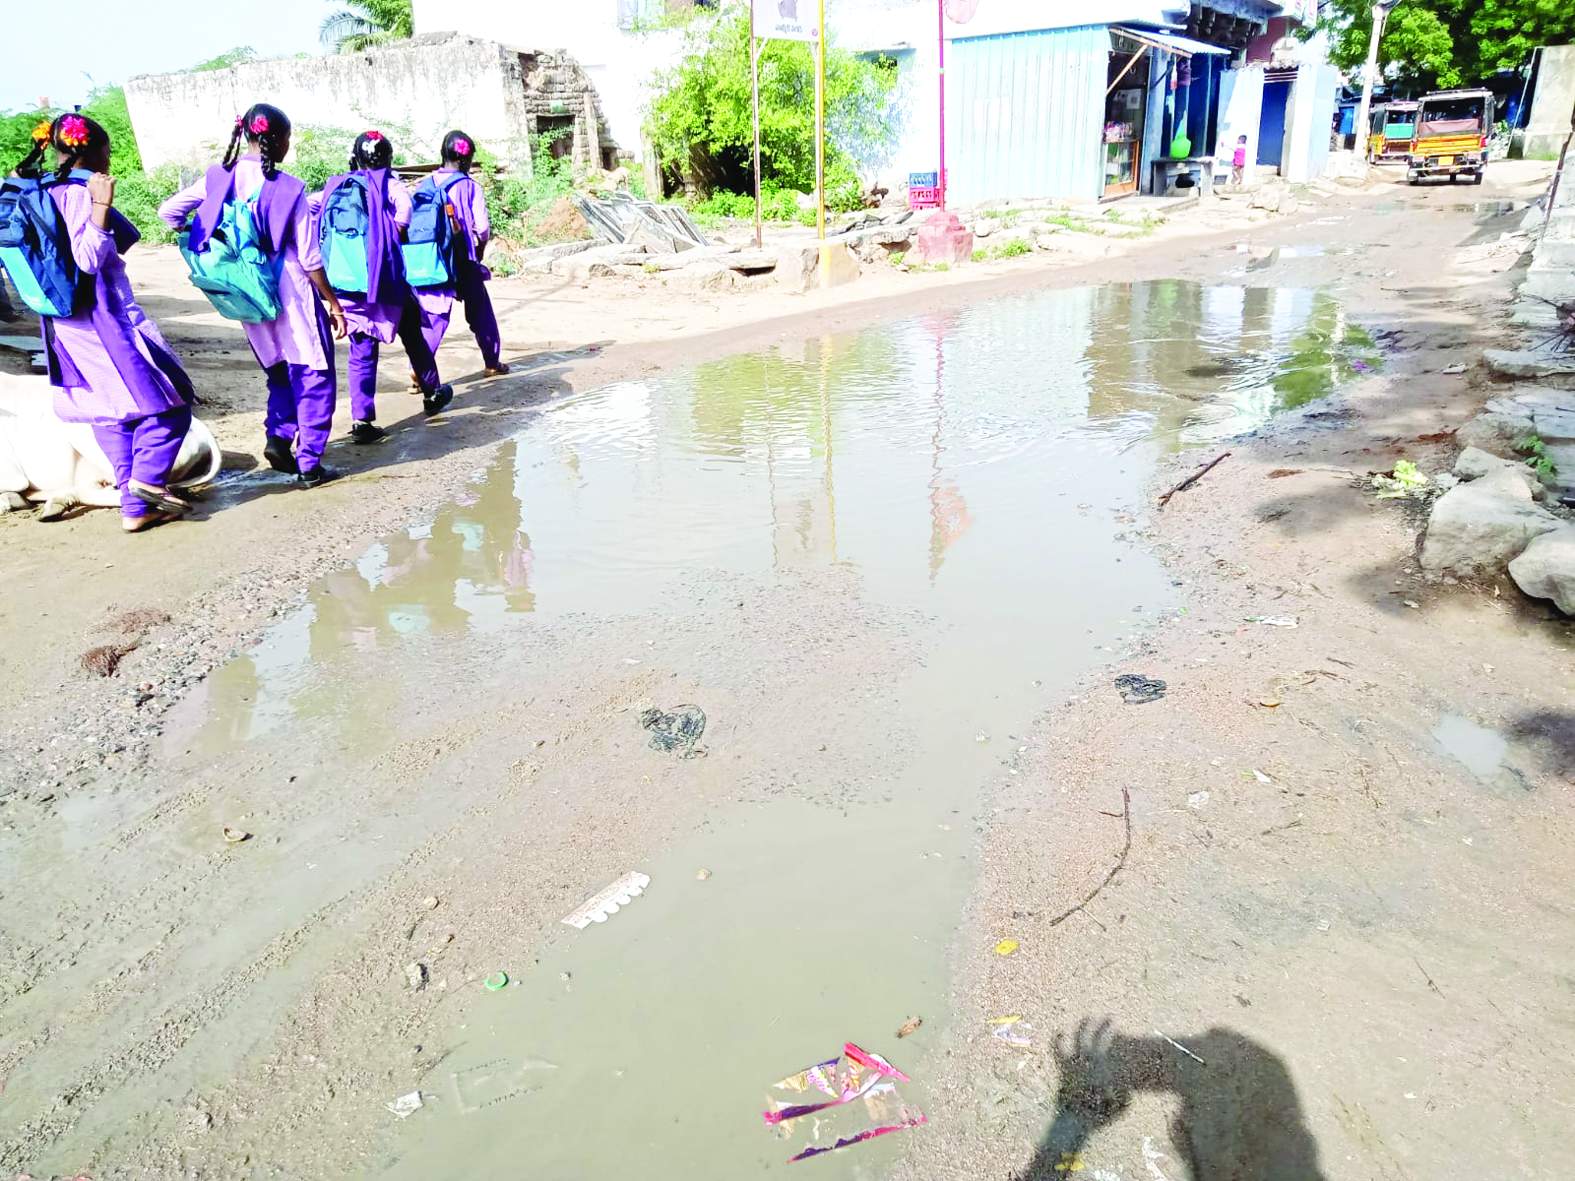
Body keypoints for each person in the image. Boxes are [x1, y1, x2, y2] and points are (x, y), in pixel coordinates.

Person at [16, 114, 196, 532]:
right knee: (171, 403)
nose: (109, 159)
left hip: (63, 326)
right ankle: (146, 483)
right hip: (105, 321)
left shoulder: (41, 190)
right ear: (94, 151)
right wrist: (100, 206)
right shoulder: (81, 194)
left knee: (111, 413)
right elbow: (88, 259)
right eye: (108, 151)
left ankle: (135, 509)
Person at [159, 103, 348, 488]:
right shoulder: (290, 188)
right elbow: (310, 257)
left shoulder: (217, 177)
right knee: (312, 371)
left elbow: (169, 212)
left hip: (245, 291)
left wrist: (203, 236)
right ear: (275, 140)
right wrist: (333, 302)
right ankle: (310, 463)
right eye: (287, 139)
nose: (288, 146)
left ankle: (278, 437)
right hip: (289, 289)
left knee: (277, 368)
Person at [313, 130, 453, 439]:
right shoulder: (390, 184)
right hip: (386, 280)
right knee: (413, 333)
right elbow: (405, 210)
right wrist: (390, 234)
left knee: (361, 350)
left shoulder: (337, 186)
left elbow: (312, 208)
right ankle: (432, 391)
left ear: (356, 158)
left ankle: (362, 421)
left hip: (347, 282)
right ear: (388, 158)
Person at [412, 129, 508, 378]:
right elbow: (483, 229)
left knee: (434, 315)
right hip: (462, 258)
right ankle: (492, 362)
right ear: (467, 159)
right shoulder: (470, 186)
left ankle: (419, 368)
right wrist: (479, 253)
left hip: (431, 258)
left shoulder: (425, 184)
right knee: (481, 311)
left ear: (443, 154)